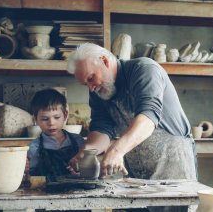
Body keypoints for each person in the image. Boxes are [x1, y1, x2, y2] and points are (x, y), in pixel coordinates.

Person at [67, 43, 197, 211]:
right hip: (135, 171)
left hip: (172, 164)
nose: (91, 87)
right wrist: (87, 152)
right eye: (85, 84)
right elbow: (102, 128)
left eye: (91, 78)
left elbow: (148, 117)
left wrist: (116, 151)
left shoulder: (143, 69)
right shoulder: (98, 91)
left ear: (105, 61)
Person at [26, 88, 85, 181]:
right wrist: (25, 170)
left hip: (76, 190)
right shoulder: (33, 147)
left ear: (65, 115)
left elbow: (87, 168)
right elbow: (31, 177)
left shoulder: (78, 141)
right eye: (45, 119)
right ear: (35, 119)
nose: (51, 123)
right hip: (46, 193)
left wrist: (80, 172)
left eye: (57, 117)